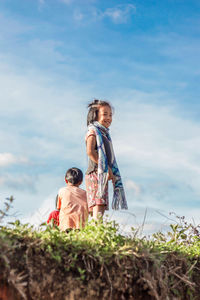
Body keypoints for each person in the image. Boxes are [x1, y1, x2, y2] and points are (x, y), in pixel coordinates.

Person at [85, 99, 128, 220]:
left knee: (102, 203)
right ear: (95, 115)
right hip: (95, 172)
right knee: (98, 202)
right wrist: (106, 168)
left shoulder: (104, 134)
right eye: (105, 114)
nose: (108, 117)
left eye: (110, 115)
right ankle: (96, 229)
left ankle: (97, 228)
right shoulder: (93, 131)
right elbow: (90, 151)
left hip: (101, 173)